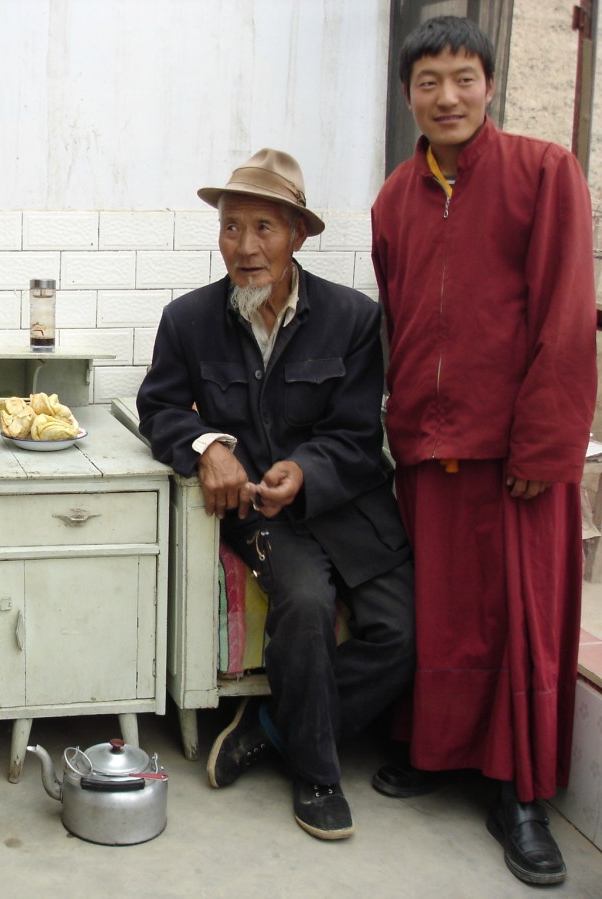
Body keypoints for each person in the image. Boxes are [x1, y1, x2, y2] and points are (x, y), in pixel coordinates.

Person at [371, 16, 596, 886]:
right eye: (428, 82)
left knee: (519, 620)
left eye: (463, 78)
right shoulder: (395, 197)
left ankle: (519, 793)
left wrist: (544, 445)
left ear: (489, 85)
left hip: (516, 453)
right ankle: (440, 750)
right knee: (443, 615)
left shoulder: (545, 172)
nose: (448, 97)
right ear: (408, 96)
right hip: (428, 445)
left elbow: (567, 314)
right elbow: (401, 318)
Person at [138, 149, 415, 840]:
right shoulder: (188, 320)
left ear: (298, 236)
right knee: (307, 604)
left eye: (264, 227)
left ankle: (269, 727)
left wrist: (306, 469)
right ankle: (318, 775)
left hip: (347, 505)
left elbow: (358, 433)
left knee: (406, 633)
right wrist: (209, 446)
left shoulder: (353, 318)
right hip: (262, 514)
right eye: (231, 227)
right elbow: (159, 409)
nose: (245, 246)